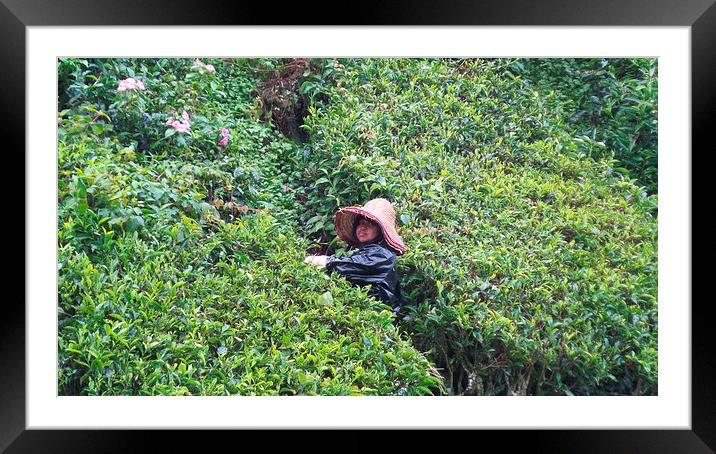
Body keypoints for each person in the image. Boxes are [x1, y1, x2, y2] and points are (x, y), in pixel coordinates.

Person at [304, 198, 406, 313]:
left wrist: (322, 261)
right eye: (361, 223)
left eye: (370, 224)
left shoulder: (383, 255)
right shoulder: (370, 251)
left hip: (375, 319)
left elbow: (347, 267)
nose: (363, 228)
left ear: (380, 231)